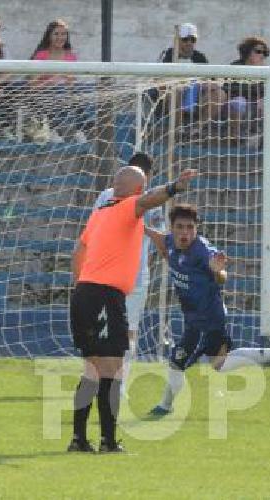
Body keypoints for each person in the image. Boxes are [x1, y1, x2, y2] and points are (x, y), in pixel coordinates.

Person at [67, 165, 199, 453]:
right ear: (137, 189)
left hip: (84, 294)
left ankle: (79, 440)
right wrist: (174, 187)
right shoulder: (128, 206)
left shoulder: (100, 214)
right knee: (112, 369)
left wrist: (81, 287)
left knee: (91, 369)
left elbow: (78, 252)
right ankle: (109, 442)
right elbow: (147, 200)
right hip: (104, 296)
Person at [144, 203, 270, 418]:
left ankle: (164, 407)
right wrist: (138, 225)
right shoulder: (170, 243)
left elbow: (221, 276)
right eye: (180, 227)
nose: (185, 232)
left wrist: (218, 271)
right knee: (219, 363)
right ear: (172, 228)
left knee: (178, 361)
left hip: (206, 320)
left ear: (197, 228)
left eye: (190, 227)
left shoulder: (202, 251)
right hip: (201, 318)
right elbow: (159, 239)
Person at [91, 153, 164, 401]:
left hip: (109, 273)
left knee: (109, 331)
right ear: (149, 176)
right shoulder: (152, 200)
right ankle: (117, 386)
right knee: (127, 332)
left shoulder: (107, 196)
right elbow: (160, 239)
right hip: (132, 274)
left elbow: (94, 230)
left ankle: (109, 384)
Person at [156, 23, 227, 133]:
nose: (189, 43)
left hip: (196, 98)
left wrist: (207, 84)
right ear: (178, 40)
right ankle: (178, 129)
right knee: (176, 90)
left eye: (192, 39)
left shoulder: (200, 57)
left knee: (220, 94)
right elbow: (159, 81)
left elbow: (213, 81)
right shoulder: (167, 55)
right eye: (185, 39)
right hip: (170, 99)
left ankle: (197, 128)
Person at [29, 19, 85, 143]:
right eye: (56, 34)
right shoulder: (41, 55)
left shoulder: (71, 56)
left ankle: (78, 130)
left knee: (86, 91)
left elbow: (72, 82)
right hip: (44, 94)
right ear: (49, 36)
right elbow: (32, 85)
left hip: (66, 94)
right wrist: (50, 82)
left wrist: (68, 81)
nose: (60, 37)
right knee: (59, 91)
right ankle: (53, 130)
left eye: (63, 34)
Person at [225, 36, 270, 142]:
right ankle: (234, 138)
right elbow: (230, 89)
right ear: (248, 52)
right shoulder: (235, 67)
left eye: (264, 53)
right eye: (258, 51)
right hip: (232, 106)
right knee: (240, 101)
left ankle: (264, 139)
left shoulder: (265, 72)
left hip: (253, 105)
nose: (262, 55)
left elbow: (264, 92)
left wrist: (261, 99)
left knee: (266, 103)